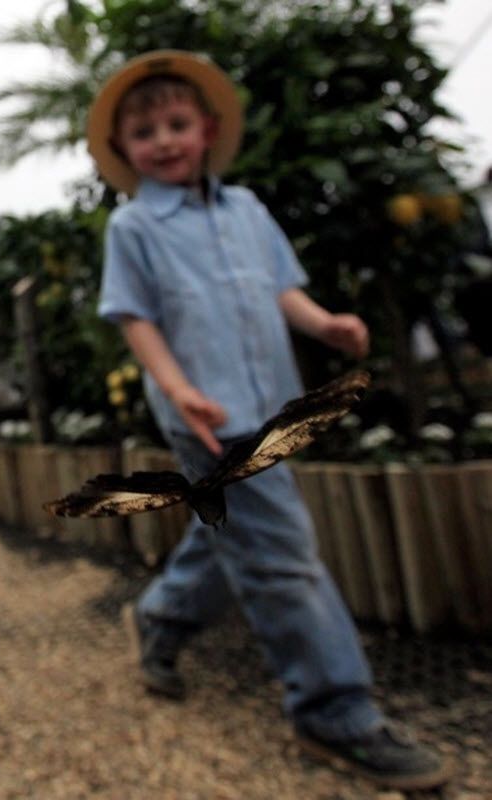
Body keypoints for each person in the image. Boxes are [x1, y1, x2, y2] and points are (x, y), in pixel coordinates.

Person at [90, 50, 449, 790]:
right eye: (144, 130)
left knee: (237, 531)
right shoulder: (134, 228)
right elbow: (135, 318)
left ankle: (160, 620)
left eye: (177, 123)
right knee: (282, 553)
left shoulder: (247, 209)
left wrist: (326, 326)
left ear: (208, 129)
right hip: (208, 417)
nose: (162, 139)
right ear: (122, 149)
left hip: (271, 408)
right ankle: (333, 713)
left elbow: (280, 287)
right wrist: (176, 386)